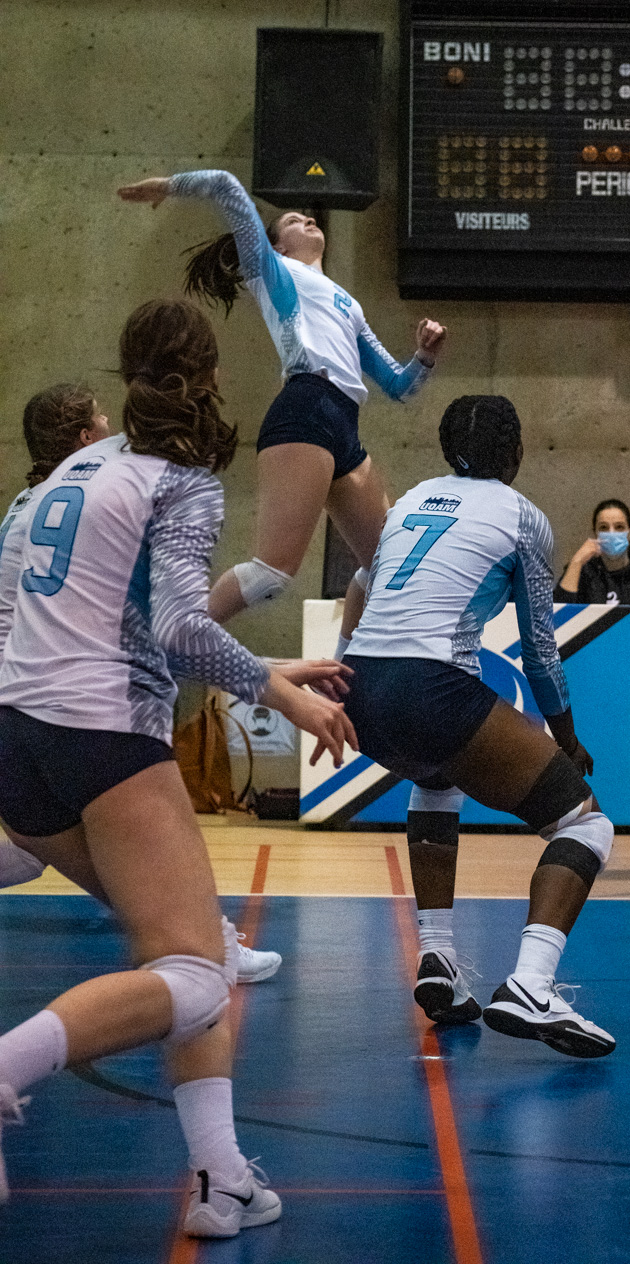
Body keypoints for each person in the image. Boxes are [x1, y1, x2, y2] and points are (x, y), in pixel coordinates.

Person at [0, 300, 357, 1234]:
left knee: (192, 954)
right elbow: (176, 630)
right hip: (104, 741)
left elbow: (84, 628)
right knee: (200, 975)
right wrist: (287, 697)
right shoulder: (178, 478)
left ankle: (221, 1179)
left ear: (126, 373)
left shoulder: (58, 478)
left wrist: (273, 668)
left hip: (20, 743)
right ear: (207, 377)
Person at [344, 395, 615, 1057]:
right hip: (428, 683)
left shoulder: (409, 500)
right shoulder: (522, 516)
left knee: (436, 779)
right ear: (515, 451)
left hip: (357, 680)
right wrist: (567, 737)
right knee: (584, 822)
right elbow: (540, 649)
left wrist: (347, 671)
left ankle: (437, 957)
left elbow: (361, 579)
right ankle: (531, 984)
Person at [0, 384, 284, 984]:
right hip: (69, 709)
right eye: (100, 416)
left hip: (22, 705)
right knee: (157, 865)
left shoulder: (36, 499)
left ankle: (207, 947)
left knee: (35, 853)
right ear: (83, 438)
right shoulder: (107, 497)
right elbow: (168, 630)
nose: (110, 423)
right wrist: (275, 683)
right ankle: (212, 949)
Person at [117, 171, 447, 654]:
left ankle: (341, 672)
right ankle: (162, 644)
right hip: (304, 411)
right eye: (293, 220)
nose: (308, 218)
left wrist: (425, 356)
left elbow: (399, 387)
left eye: (308, 216)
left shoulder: (348, 303)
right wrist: (170, 186)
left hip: (342, 423)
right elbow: (227, 187)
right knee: (272, 573)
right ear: (278, 248)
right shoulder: (272, 271)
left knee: (388, 562)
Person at [554, 499, 630, 604]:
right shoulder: (584, 571)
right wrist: (576, 562)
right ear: (595, 533)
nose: (611, 533)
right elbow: (558, 614)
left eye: (619, 527)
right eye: (603, 527)